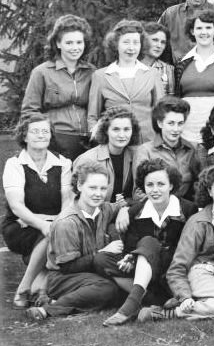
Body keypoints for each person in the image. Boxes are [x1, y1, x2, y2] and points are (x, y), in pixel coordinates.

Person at [140, 164, 214, 322]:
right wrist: (184, 296)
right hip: (201, 272)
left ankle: (201, 304)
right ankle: (172, 312)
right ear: (209, 191)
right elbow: (177, 267)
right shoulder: (198, 222)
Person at [99, 158, 198, 326]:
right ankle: (148, 298)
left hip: (173, 269)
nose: (155, 190)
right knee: (102, 260)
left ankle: (131, 304)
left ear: (171, 186)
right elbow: (131, 246)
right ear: (143, 187)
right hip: (145, 269)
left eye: (161, 184)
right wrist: (130, 259)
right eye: (150, 185)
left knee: (149, 242)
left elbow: (190, 246)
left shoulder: (188, 209)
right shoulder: (136, 211)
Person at [26, 162, 122, 321]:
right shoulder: (67, 222)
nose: (98, 194)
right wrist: (103, 253)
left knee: (118, 288)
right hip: (63, 277)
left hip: (90, 273)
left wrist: (124, 209)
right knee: (107, 288)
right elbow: (69, 266)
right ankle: (48, 309)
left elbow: (119, 206)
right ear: (79, 185)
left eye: (103, 189)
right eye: (92, 188)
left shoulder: (104, 209)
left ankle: (58, 301)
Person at [3, 114, 73, 309]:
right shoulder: (15, 164)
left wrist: (53, 222)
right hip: (19, 226)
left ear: (51, 135)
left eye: (45, 131)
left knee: (52, 234)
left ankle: (35, 290)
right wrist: (42, 224)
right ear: (24, 136)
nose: (41, 135)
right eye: (35, 131)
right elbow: (17, 206)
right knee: (51, 235)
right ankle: (27, 287)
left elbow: (67, 201)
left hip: (53, 222)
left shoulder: (64, 163)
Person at [21, 14, 95, 160]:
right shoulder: (42, 72)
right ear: (58, 44)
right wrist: (42, 137)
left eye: (79, 42)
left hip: (88, 141)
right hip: (56, 140)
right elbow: (29, 111)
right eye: (69, 43)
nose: (75, 47)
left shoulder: (92, 72)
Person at [88, 19, 165, 143]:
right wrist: (98, 141)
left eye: (136, 43)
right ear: (115, 45)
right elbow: (93, 116)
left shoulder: (152, 74)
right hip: (113, 143)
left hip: (146, 142)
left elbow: (161, 112)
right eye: (126, 42)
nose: (131, 48)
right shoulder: (101, 76)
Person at [175, 8, 214, 144]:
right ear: (192, 31)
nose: (204, 32)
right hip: (188, 132)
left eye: (208, 27)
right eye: (199, 28)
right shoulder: (182, 62)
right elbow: (177, 97)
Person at [134, 97, 198, 200]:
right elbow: (138, 194)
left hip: (186, 208)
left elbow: (197, 186)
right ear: (160, 123)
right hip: (155, 207)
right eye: (171, 123)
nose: (176, 129)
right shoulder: (145, 151)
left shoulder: (192, 149)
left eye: (180, 123)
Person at [74, 106, 140, 207]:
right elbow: (77, 200)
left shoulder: (136, 155)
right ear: (106, 131)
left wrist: (124, 207)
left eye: (126, 129)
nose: (122, 135)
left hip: (124, 213)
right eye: (116, 129)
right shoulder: (87, 159)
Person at [141, 22, 176, 96]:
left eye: (163, 42)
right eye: (155, 40)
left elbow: (170, 99)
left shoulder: (169, 70)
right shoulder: (130, 66)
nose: (159, 45)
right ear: (143, 40)